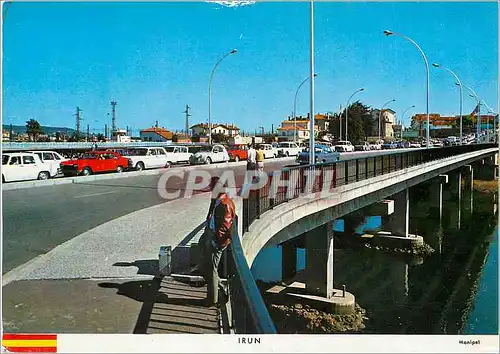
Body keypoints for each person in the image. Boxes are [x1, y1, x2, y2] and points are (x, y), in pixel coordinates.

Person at [202, 185, 236, 306]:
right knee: (210, 267)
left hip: (217, 241)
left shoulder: (224, 204)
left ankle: (212, 300)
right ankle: (221, 287)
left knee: (212, 269)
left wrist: (217, 242)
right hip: (215, 237)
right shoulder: (220, 202)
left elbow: (225, 226)